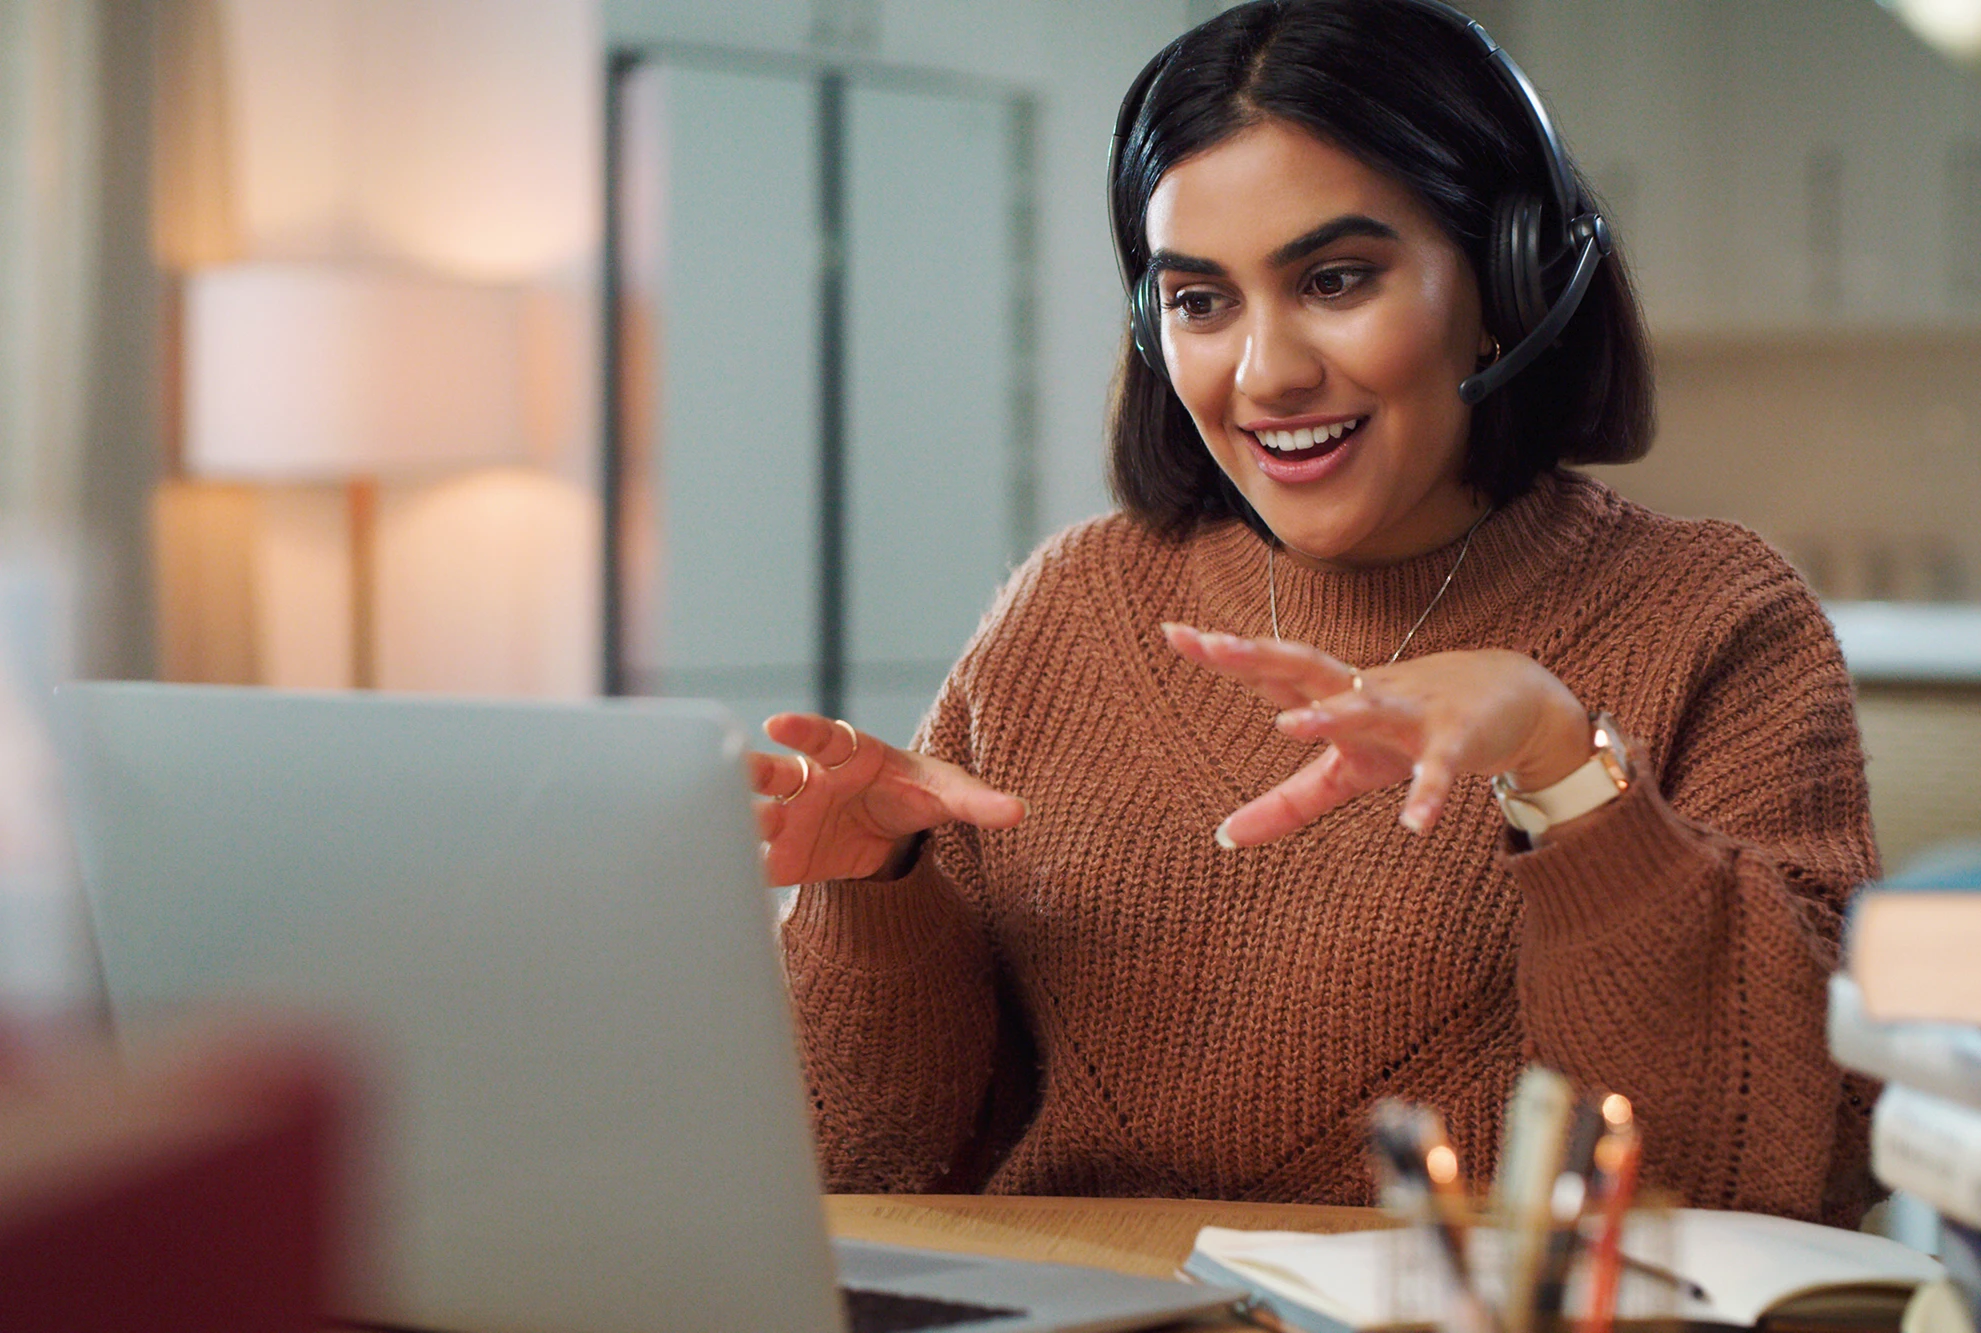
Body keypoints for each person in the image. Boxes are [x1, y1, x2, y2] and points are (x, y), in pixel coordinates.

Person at [749, 0, 1878, 1224]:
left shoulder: (1716, 619)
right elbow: (856, 1168)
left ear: (1507, 281)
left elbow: (1768, 1168)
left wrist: (1568, 781)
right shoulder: (1065, 608)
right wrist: (878, 888)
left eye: (1334, 280)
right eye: (1199, 301)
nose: (1265, 373)